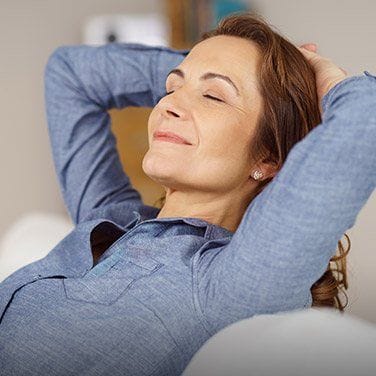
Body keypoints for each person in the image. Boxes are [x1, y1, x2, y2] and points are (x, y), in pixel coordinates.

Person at [0, 11, 375, 376]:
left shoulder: (227, 286)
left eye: (213, 96)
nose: (168, 105)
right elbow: (71, 73)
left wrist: (324, 79)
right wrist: (210, 63)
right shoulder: (114, 220)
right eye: (170, 87)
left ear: (270, 158)